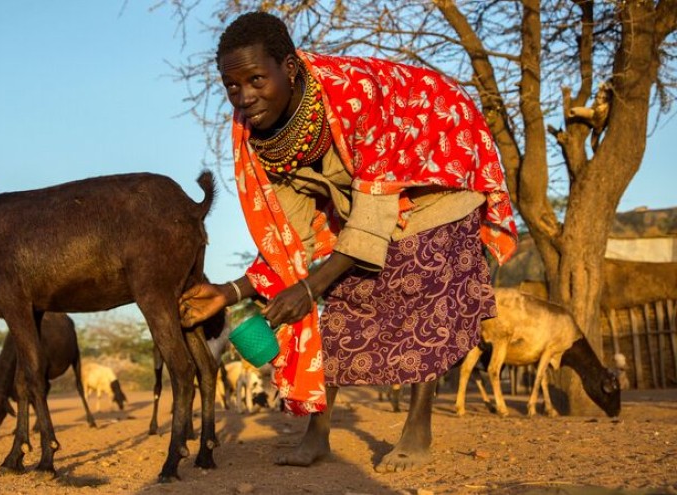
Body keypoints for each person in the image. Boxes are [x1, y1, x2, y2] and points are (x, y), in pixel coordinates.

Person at [179, 11, 518, 472]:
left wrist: (309, 288)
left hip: (436, 170)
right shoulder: (258, 136)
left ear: (290, 68)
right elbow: (289, 238)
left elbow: (376, 216)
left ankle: (417, 427)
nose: (245, 96)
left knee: (420, 287)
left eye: (257, 79)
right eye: (232, 86)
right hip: (366, 194)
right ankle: (317, 435)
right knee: (341, 303)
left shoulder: (354, 96)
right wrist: (230, 291)